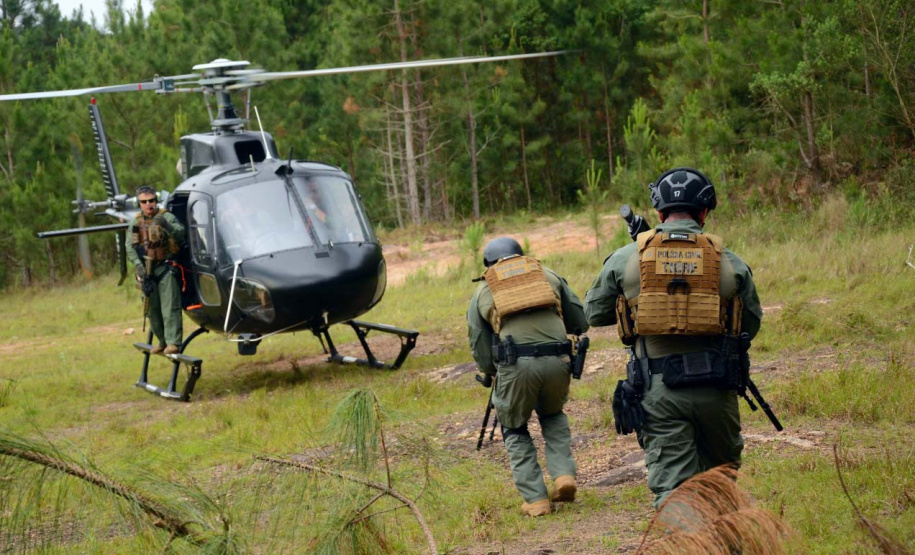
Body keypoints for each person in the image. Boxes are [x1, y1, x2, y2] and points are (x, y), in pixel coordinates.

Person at [583, 167, 762, 510]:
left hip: (659, 388)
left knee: (676, 494)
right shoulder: (730, 262)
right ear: (704, 212)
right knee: (722, 487)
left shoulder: (628, 257)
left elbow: (594, 313)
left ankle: (687, 538)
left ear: (659, 211)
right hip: (717, 389)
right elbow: (749, 326)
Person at [467, 237, 590, 517]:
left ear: (489, 264)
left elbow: (479, 342)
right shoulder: (547, 275)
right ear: (520, 255)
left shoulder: (485, 288)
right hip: (559, 359)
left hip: (516, 363)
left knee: (513, 426)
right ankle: (564, 476)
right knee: (553, 414)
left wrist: (491, 372)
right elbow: (580, 321)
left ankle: (536, 499)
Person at [127, 185, 186, 355]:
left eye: (151, 200)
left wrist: (167, 226)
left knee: (170, 307)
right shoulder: (136, 222)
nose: (148, 204)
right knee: (151, 310)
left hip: (166, 268)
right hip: (147, 272)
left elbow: (181, 234)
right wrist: (138, 266)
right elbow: (130, 246)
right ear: (139, 203)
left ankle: (173, 342)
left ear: (156, 200)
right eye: (144, 202)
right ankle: (162, 341)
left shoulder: (166, 217)